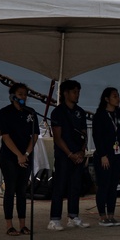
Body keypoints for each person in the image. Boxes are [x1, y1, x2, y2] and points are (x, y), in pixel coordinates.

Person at [0, 82, 39, 237]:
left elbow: (34, 136)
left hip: (25, 156)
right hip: (9, 156)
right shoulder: (4, 113)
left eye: (25, 94)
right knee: (10, 189)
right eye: (20, 94)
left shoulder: (31, 112)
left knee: (22, 190)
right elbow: (5, 137)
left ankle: (23, 224)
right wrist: (18, 155)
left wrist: (26, 154)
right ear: (12, 95)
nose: (23, 97)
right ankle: (9, 225)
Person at [48, 79, 90, 230]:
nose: (77, 94)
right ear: (65, 93)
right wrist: (70, 153)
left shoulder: (80, 112)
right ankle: (54, 219)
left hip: (77, 154)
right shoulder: (58, 112)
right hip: (63, 155)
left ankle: (73, 216)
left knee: (75, 186)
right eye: (74, 92)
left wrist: (81, 151)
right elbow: (58, 138)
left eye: (78, 92)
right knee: (60, 186)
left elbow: (84, 134)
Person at [92, 87, 120, 226]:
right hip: (105, 155)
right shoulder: (100, 115)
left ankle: (111, 215)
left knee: (114, 185)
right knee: (104, 185)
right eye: (114, 96)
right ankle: (102, 216)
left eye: (118, 96)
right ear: (106, 99)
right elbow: (97, 136)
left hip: (118, 155)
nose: (117, 98)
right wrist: (102, 154)